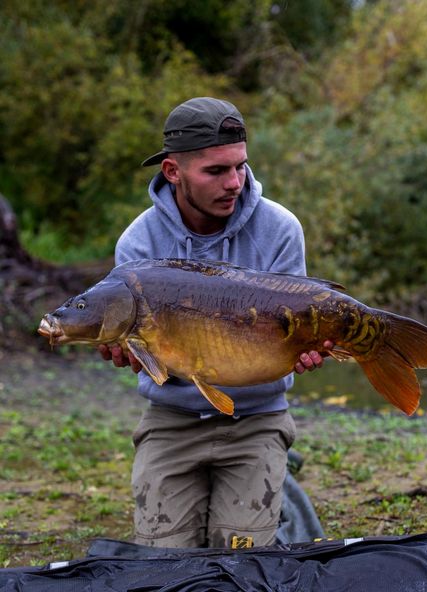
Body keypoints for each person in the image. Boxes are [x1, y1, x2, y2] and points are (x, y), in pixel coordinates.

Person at [99, 97, 332, 548]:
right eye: (216, 171)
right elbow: (144, 353)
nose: (235, 183)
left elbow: (298, 327)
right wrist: (132, 353)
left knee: (242, 559)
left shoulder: (281, 229)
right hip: (172, 419)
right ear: (173, 171)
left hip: (257, 418)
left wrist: (304, 350)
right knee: (166, 565)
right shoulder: (139, 241)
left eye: (240, 167)